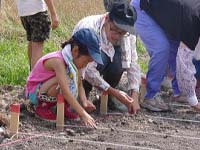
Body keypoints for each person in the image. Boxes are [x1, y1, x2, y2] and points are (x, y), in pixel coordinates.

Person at [25, 28, 103, 128]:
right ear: (75, 51)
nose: (85, 65)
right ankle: (42, 107)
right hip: (34, 92)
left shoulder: (73, 63)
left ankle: (62, 108)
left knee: (70, 79)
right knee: (65, 80)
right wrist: (83, 114)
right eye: (86, 61)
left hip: (47, 86)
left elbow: (79, 83)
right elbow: (66, 91)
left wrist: (84, 101)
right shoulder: (58, 61)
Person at [131, 0, 200, 111]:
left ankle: (179, 92)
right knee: (162, 48)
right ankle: (150, 96)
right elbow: (184, 62)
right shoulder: (193, 22)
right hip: (143, 9)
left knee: (175, 47)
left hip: (164, 13)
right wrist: (194, 102)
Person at [73, 2, 141, 114]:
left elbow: (133, 62)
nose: (117, 35)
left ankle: (107, 98)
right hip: (81, 68)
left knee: (121, 61)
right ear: (107, 18)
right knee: (99, 57)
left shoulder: (128, 35)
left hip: (103, 63)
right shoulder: (90, 29)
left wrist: (135, 95)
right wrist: (115, 92)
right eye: (114, 29)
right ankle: (83, 92)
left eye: (122, 33)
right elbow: (88, 70)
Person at [16, 0, 59, 70]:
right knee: (37, 47)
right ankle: (34, 78)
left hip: (23, 12)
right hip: (37, 11)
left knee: (32, 42)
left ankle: (31, 73)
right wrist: (54, 14)